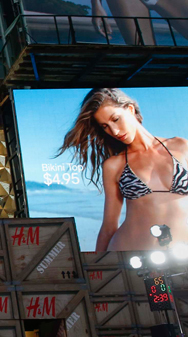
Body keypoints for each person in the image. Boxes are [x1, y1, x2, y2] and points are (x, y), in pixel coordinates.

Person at [59, 88, 188, 251]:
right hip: (133, 255)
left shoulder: (182, 147)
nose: (114, 131)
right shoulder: (114, 165)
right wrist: (97, 270)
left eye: (116, 119)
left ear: (130, 109)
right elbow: (109, 225)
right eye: (105, 126)